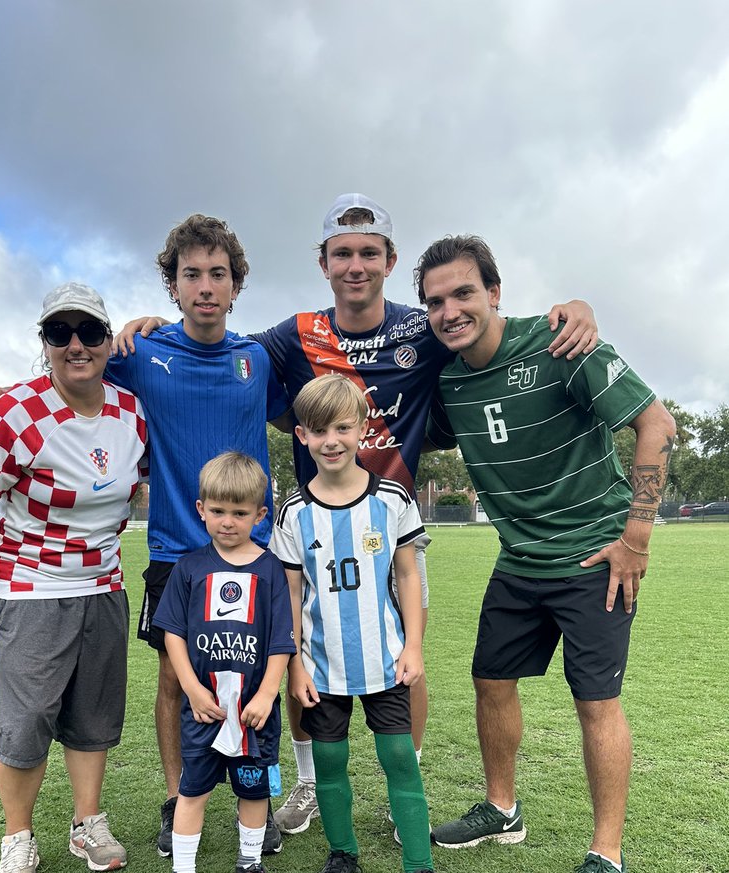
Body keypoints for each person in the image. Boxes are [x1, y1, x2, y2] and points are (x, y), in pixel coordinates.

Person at [119, 194, 598, 839]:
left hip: (394, 531)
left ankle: (410, 787)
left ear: (389, 260)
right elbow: (169, 355)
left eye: (369, 252)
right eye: (342, 253)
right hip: (307, 532)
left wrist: (570, 310)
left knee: (405, 656)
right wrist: (145, 325)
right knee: (293, 657)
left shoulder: (422, 329)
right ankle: (306, 790)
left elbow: (484, 322)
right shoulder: (287, 339)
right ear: (323, 263)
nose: (355, 264)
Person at [0, 216, 289, 859]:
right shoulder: (141, 353)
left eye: (217, 275)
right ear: (172, 285)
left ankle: (258, 797)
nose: (205, 287)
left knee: (261, 672)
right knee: (176, 679)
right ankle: (179, 799)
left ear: (236, 285)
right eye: (191, 274)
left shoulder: (259, 358)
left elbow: (309, 418)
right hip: (176, 551)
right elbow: (70, 371)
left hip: (256, 549)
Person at [415, 235, 676, 873]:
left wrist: (637, 539)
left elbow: (656, 424)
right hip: (518, 560)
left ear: (494, 292)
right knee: (489, 681)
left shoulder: (563, 341)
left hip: (595, 559)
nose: (450, 311)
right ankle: (503, 810)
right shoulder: (448, 380)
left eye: (463, 293)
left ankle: (608, 858)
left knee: (596, 704)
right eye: (436, 301)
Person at [0, 283, 147, 873]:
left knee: (93, 713)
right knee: (28, 716)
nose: (75, 345)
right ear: (44, 344)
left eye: (89, 332)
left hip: (104, 583)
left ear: (106, 341)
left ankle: (87, 823)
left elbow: (134, 482)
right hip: (31, 586)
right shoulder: (13, 413)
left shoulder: (129, 410)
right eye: (58, 333)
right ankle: (18, 838)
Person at [270, 375, 454, 873]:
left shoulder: (392, 499)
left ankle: (420, 867)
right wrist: (297, 661)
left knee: (399, 758)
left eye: (343, 427)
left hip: (384, 659)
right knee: (329, 761)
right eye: (320, 430)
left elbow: (406, 576)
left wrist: (415, 647)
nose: (332, 440)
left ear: (363, 430)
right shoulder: (294, 512)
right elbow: (291, 594)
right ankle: (342, 852)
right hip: (322, 666)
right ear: (302, 436)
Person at [152, 453, 295, 873]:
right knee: (192, 792)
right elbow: (172, 633)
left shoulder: (271, 570)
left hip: (252, 714)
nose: (227, 521)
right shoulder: (189, 568)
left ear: (260, 514)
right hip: (205, 712)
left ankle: (249, 864)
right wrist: (191, 689)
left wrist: (267, 694)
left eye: (239, 512)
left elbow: (281, 639)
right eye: (218, 511)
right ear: (200, 509)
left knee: (253, 792)